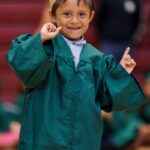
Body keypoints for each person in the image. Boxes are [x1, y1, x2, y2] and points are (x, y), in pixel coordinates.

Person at [6, 0, 147, 149]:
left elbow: (109, 99)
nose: (74, 21)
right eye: (66, 14)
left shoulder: (97, 60)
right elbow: (20, 63)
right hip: (44, 141)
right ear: (53, 15)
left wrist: (121, 73)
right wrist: (40, 38)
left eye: (81, 14)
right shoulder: (45, 48)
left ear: (91, 16)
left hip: (83, 142)